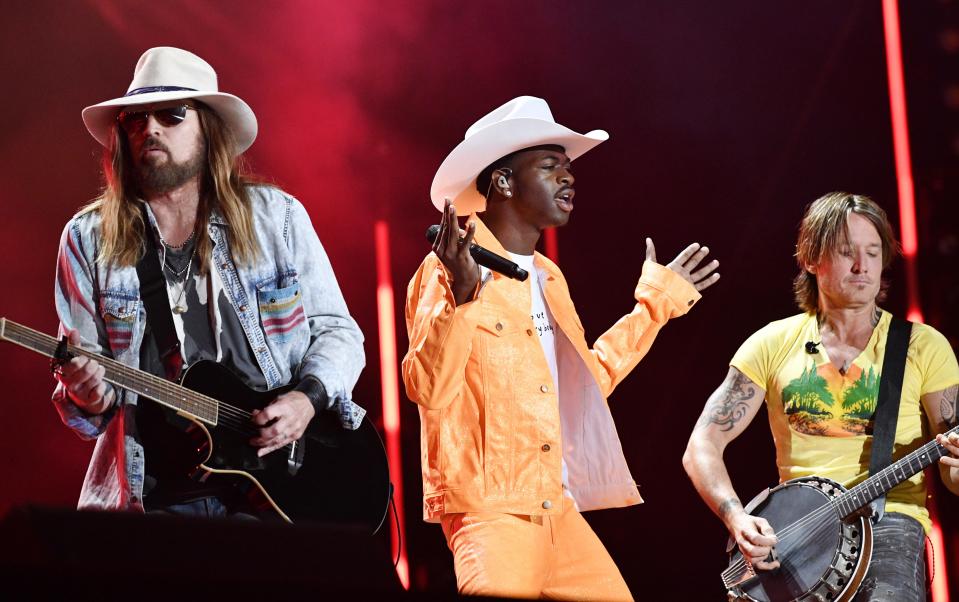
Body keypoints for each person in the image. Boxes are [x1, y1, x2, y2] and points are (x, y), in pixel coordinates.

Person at [402, 96, 720, 600]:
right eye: (550, 168)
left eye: (568, 169)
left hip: (556, 502)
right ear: (504, 183)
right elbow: (428, 389)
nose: (568, 179)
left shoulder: (549, 278)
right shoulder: (447, 270)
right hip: (492, 508)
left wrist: (654, 308)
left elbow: (585, 382)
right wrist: (462, 300)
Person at [52, 46, 365, 518]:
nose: (151, 128)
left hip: (271, 491)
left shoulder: (276, 218)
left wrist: (307, 400)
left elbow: (340, 334)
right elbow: (88, 399)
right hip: (154, 494)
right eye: (136, 119)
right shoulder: (87, 239)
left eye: (172, 114)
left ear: (209, 131)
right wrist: (87, 395)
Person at [683, 192, 959, 600]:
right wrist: (737, 517)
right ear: (811, 259)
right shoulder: (771, 343)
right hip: (797, 536)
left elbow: (953, 472)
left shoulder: (923, 347)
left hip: (891, 522)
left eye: (873, 251)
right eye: (847, 252)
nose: (863, 266)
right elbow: (702, 445)